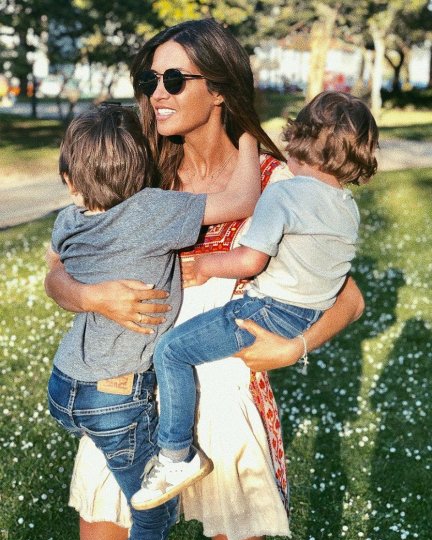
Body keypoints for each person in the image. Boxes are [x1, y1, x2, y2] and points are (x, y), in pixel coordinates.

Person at [44, 19, 365, 540]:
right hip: (128, 392)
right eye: (149, 79)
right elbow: (56, 268)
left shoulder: (279, 181)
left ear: (218, 89)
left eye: (173, 79)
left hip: (221, 395)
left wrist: (295, 346)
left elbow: (349, 297)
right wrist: (91, 296)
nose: (155, 93)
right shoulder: (135, 164)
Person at [46, 104, 261, 540]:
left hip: (65, 386)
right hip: (113, 397)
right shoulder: (153, 209)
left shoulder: (67, 220)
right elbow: (243, 198)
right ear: (143, 171)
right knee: (154, 511)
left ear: (68, 178)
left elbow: (55, 268)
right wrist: (247, 138)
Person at [131, 90, 378, 510]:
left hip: (265, 311)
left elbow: (250, 260)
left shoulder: (285, 194)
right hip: (306, 316)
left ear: (299, 140)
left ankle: (175, 455)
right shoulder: (346, 206)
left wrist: (206, 266)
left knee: (171, 351)